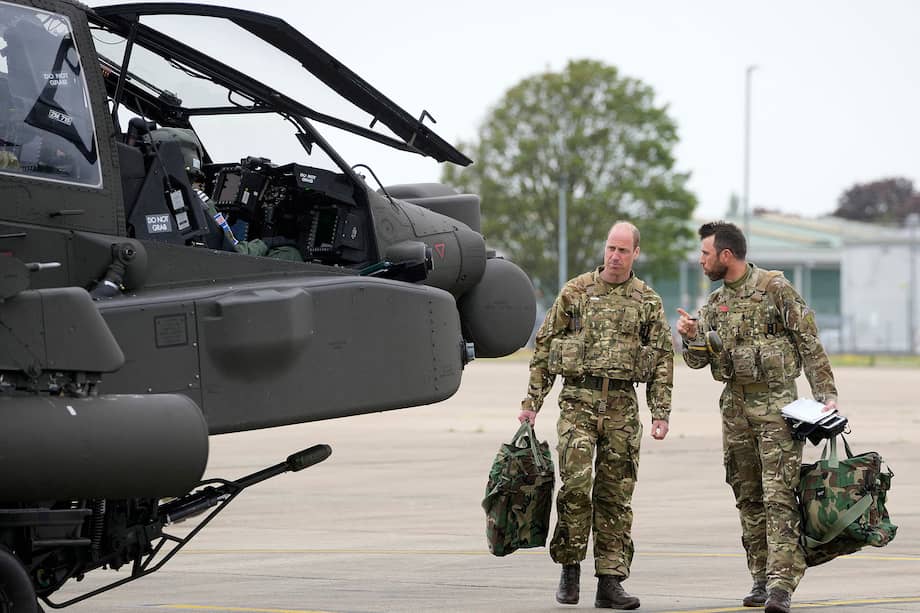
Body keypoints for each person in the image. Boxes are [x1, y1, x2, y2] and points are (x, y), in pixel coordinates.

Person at [676, 221, 838, 613]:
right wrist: (691, 335)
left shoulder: (775, 290)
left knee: (779, 495)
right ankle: (760, 577)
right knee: (747, 496)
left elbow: (807, 340)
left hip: (777, 409)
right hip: (735, 411)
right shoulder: (714, 305)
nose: (701, 260)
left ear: (726, 255)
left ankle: (782, 583)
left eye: (705, 254)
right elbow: (698, 362)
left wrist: (826, 394)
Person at [518, 221, 673, 610]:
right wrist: (531, 403)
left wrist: (661, 412)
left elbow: (661, 361)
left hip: (622, 405)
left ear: (636, 253)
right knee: (574, 488)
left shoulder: (647, 301)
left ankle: (610, 581)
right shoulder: (576, 292)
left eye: (623, 250)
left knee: (615, 496)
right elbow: (545, 347)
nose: (615, 256)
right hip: (578, 402)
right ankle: (570, 568)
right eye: (611, 248)